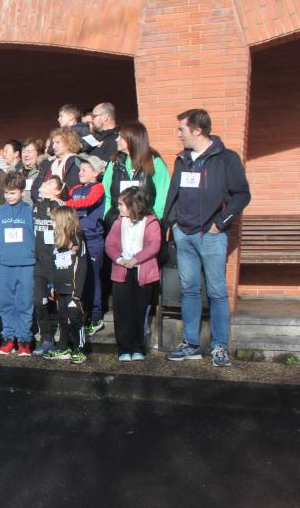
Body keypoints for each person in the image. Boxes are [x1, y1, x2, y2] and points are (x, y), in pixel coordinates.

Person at [164, 108, 251, 367]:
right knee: (189, 290)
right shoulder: (183, 159)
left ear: (198, 130)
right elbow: (175, 192)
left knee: (216, 292)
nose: (178, 134)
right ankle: (190, 344)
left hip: (211, 237)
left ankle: (219, 347)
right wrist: (174, 223)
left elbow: (241, 195)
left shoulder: (226, 158)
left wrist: (219, 224)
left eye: (182, 129)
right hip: (184, 234)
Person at [106, 187, 162, 362]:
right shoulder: (118, 222)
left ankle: (138, 347)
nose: (119, 208)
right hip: (121, 271)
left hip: (142, 272)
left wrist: (136, 259)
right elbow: (110, 244)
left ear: (133, 205)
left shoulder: (151, 221)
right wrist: (119, 259)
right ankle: (124, 348)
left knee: (139, 310)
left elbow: (154, 245)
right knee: (122, 311)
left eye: (122, 204)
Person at [42, 206, 89, 363]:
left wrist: (78, 291)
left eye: (54, 221)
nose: (52, 224)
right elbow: (53, 266)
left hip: (73, 289)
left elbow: (82, 267)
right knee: (62, 318)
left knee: (75, 318)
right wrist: (52, 285)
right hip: (60, 287)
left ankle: (79, 348)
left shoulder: (77, 240)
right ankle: (63, 347)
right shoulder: (57, 242)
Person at [0, 171, 35, 356]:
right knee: (6, 303)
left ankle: (24, 339)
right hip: (5, 264)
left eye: (12, 193)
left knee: (24, 303)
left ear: (22, 191)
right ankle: (8, 338)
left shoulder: (30, 211)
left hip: (26, 264)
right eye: (6, 193)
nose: (8, 196)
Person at [66, 156, 106, 334]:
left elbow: (87, 202)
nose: (80, 173)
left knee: (93, 279)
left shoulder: (98, 188)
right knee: (78, 280)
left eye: (85, 170)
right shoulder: (75, 189)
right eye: (79, 169)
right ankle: (81, 315)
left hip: (92, 239)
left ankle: (96, 317)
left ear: (96, 173)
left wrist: (65, 205)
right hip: (75, 239)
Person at [101, 121, 171, 225]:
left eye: (120, 136)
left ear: (132, 138)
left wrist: (154, 220)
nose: (116, 139)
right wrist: (107, 216)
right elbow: (106, 193)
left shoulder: (154, 162)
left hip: (146, 225)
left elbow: (163, 195)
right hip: (117, 224)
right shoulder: (114, 163)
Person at [32, 176, 64, 355]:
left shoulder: (60, 208)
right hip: (39, 264)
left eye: (51, 183)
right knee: (39, 300)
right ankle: (46, 338)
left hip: (56, 263)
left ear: (58, 191)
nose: (45, 183)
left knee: (60, 302)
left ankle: (65, 338)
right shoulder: (36, 206)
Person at [33, 128, 82, 196]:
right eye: (53, 143)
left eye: (58, 142)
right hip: (42, 203)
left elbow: (73, 188)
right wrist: (38, 199)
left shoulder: (76, 162)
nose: (53, 146)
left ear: (69, 143)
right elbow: (35, 187)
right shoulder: (47, 163)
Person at [18, 137, 45, 204]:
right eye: (24, 152)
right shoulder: (17, 173)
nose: (26, 155)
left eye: (29, 152)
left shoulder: (42, 173)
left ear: (38, 154)